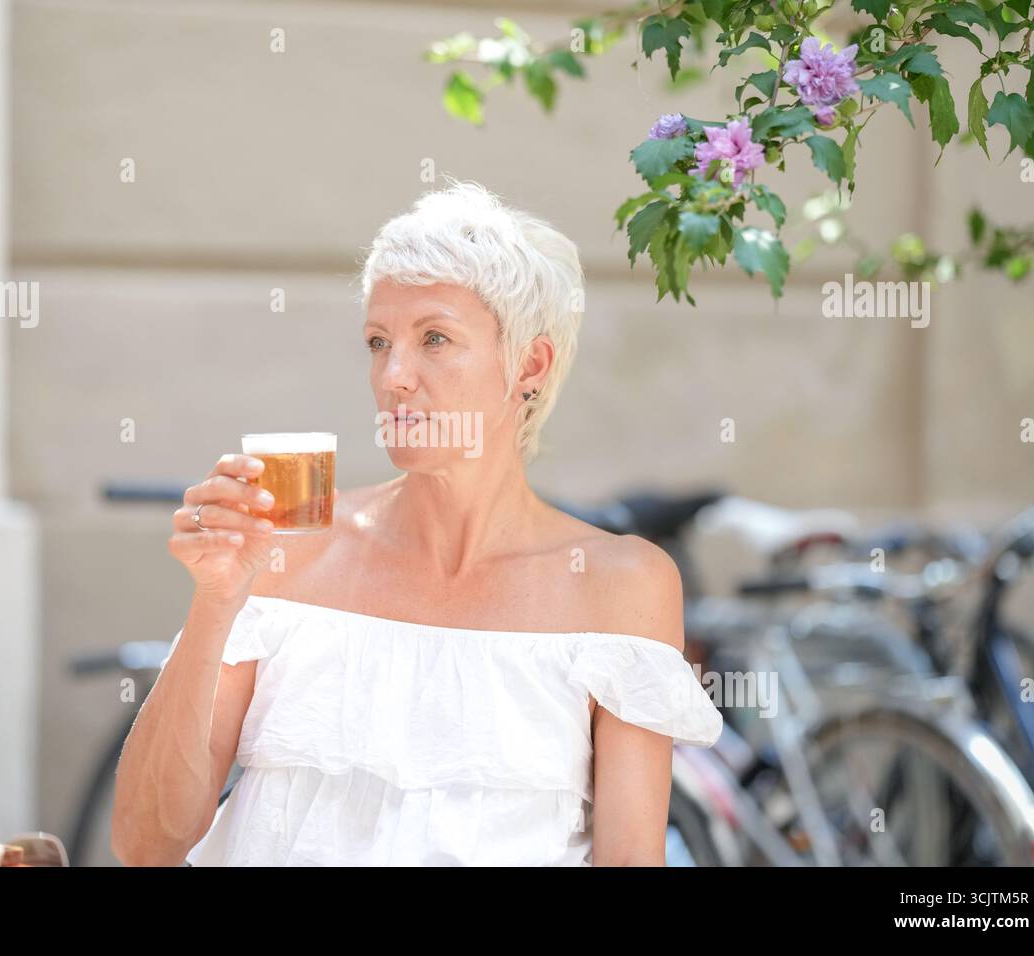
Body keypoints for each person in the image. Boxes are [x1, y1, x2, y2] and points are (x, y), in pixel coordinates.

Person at [110, 179, 722, 866]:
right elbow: (147, 845)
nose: (393, 375)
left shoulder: (622, 586)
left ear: (529, 363)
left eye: (434, 338)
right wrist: (215, 599)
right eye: (378, 342)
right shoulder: (288, 547)